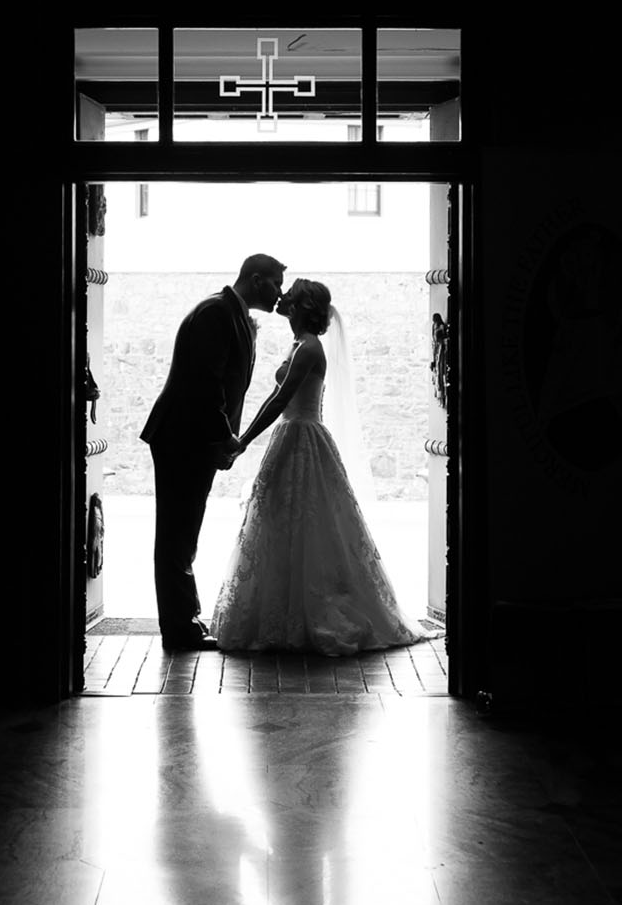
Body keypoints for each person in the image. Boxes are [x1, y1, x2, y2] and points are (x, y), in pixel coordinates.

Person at [210, 278, 436, 656]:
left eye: (290, 297)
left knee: (308, 525)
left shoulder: (310, 348)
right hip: (290, 437)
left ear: (300, 308)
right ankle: (283, 613)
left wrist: (243, 441)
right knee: (280, 524)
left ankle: (306, 614)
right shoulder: (299, 344)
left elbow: (281, 398)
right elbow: (276, 396)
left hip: (302, 439)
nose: (282, 299)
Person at [141, 254, 287, 650]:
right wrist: (224, 438)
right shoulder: (216, 314)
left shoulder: (228, 312)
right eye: (276, 283)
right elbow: (206, 385)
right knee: (177, 533)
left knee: (183, 532)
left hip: (191, 438)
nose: (280, 292)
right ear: (256, 280)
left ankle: (184, 621)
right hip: (183, 439)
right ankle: (180, 628)